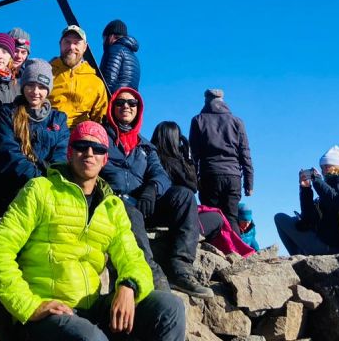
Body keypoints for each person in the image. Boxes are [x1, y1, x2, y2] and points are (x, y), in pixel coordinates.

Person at [0, 121, 185, 341]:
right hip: (48, 314)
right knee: (92, 338)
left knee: (170, 307)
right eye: (81, 146)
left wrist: (129, 285)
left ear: (105, 158)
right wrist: (30, 306)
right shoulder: (40, 190)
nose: (89, 153)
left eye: (97, 149)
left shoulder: (112, 207)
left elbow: (133, 258)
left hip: (93, 310)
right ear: (69, 152)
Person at [100, 89, 212, 297]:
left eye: (132, 103)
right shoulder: (101, 138)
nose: (126, 106)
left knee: (185, 196)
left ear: (138, 110)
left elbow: (161, 174)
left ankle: (181, 269)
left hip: (143, 203)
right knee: (127, 210)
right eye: (120, 102)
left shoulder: (146, 146)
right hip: (114, 205)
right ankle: (152, 272)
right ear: (112, 107)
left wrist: (152, 189)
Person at [150, 121, 255, 260]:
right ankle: (227, 255)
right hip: (177, 220)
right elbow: (192, 186)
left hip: (156, 217)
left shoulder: (149, 159)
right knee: (219, 218)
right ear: (176, 139)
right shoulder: (174, 163)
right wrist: (187, 156)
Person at [0, 59, 69, 212]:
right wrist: (39, 181)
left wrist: (49, 181)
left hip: (50, 189)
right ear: (23, 86)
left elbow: (61, 157)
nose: (35, 92)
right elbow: (9, 154)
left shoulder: (58, 119)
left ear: (48, 90)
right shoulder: (7, 114)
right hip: (13, 189)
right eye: (30, 85)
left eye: (42, 87)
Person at [273, 145, 339, 256]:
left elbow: (334, 201)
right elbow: (308, 218)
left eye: (326, 166)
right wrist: (306, 188)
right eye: (322, 168)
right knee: (294, 221)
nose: (324, 170)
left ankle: (297, 262)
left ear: (335, 166)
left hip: (331, 246)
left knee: (280, 218)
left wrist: (316, 180)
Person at [189, 88, 253, 232]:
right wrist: (249, 182)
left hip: (209, 175)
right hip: (233, 177)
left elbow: (193, 155)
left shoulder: (198, 120)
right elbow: (245, 153)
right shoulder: (237, 122)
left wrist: (193, 181)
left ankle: (215, 251)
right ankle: (235, 252)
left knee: (211, 217)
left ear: (206, 100)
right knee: (231, 216)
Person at [49, 25, 108, 129]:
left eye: (76, 43)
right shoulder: (46, 73)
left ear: (85, 47)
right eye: (67, 42)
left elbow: (100, 121)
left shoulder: (96, 83)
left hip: (79, 138)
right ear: (60, 44)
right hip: (48, 134)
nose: (71, 47)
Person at [99, 20, 141, 93]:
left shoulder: (115, 49)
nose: (103, 42)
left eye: (104, 38)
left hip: (114, 99)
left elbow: (109, 80)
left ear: (111, 36)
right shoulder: (134, 57)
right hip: (127, 101)